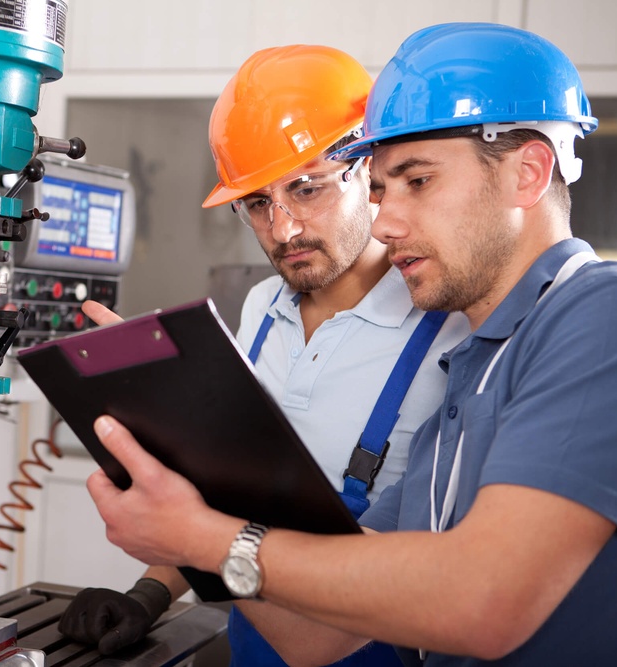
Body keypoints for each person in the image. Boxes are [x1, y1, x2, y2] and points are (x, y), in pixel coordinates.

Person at [80, 22, 617, 666]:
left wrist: (209, 539)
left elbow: (483, 601)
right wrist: (175, 474)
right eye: (381, 188)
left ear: (529, 173)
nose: (388, 219)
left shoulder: (607, 313)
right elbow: (320, 635)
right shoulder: (471, 371)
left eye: (417, 181)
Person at [56, 45, 468, 666]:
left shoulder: (450, 332)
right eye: (257, 203)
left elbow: (379, 593)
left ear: (369, 171)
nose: (283, 229)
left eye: (305, 189)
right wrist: (146, 594)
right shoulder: (257, 312)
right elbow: (218, 505)